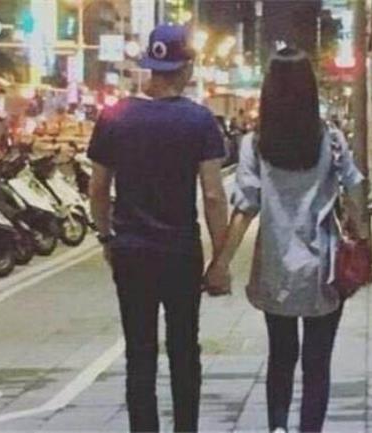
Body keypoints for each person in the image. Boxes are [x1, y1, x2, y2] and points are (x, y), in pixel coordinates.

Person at [205, 47, 367, 433]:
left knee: (280, 355)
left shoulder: (255, 144)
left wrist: (220, 263)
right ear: (310, 90)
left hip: (276, 267)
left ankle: (277, 428)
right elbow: (355, 189)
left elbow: (245, 207)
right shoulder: (330, 139)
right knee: (317, 363)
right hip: (324, 269)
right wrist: (361, 237)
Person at [88, 24, 231, 433]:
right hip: (180, 251)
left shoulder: (114, 117)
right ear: (186, 67)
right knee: (184, 349)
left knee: (140, 352)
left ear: (151, 67)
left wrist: (106, 237)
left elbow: (98, 188)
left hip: (131, 250)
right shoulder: (199, 120)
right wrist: (220, 260)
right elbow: (213, 195)